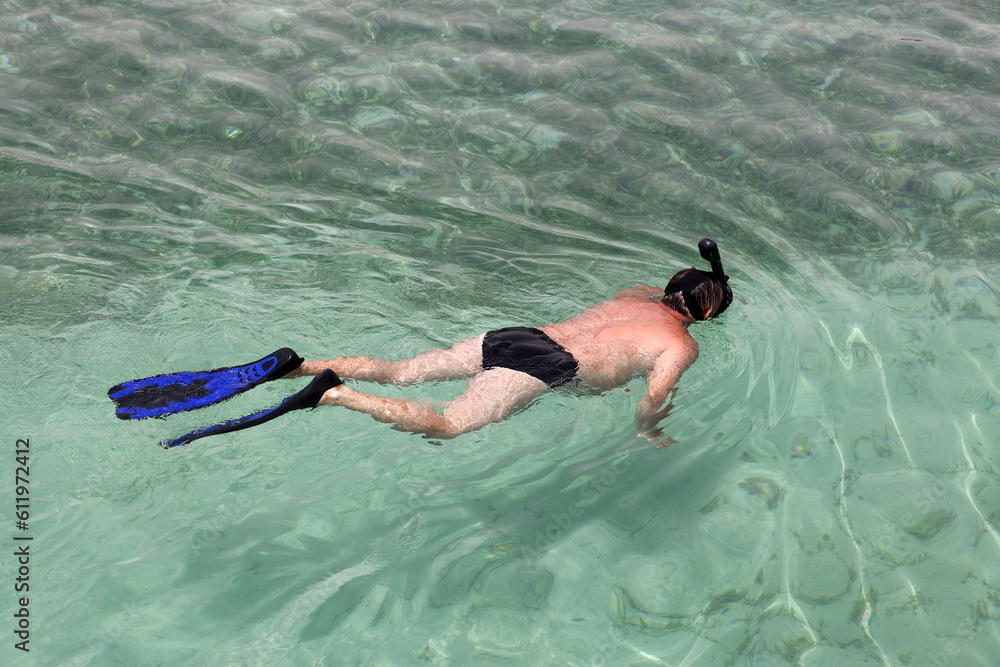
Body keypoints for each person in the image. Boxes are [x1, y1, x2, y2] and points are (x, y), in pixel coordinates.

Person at [110, 239, 733, 448]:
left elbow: (676, 285)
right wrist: (649, 431)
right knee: (448, 426)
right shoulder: (680, 345)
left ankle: (303, 362)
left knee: (404, 371)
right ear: (703, 317)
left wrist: (705, 274)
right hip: (551, 365)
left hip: (518, 333)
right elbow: (652, 398)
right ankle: (331, 396)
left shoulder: (635, 294)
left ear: (672, 288)